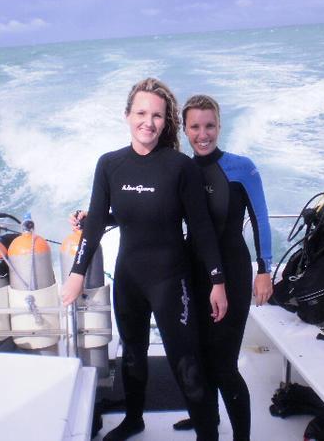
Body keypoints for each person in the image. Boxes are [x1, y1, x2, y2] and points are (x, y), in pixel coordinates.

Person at [61, 78, 228, 441]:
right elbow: (100, 221)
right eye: (141, 113)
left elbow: (200, 228)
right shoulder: (109, 165)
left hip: (171, 279)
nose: (148, 122)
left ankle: (207, 433)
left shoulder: (180, 167)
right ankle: (134, 419)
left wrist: (218, 281)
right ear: (127, 115)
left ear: (165, 122)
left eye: (156, 115)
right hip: (129, 278)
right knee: (132, 355)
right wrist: (77, 273)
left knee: (185, 362)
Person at [173, 94, 274, 441]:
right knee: (198, 359)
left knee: (224, 365)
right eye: (195, 127)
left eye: (210, 125)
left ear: (219, 126)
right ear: (185, 130)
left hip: (231, 272)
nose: (203, 134)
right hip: (193, 275)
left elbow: (260, 218)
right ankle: (209, 420)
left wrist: (264, 269)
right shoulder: (181, 170)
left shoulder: (241, 167)